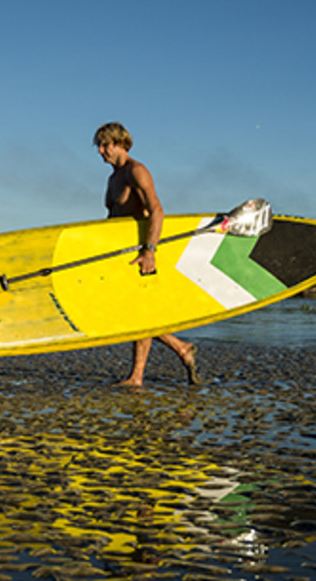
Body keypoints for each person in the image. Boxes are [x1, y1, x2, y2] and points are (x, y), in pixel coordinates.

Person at [94, 121, 201, 387]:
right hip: (123, 252)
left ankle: (148, 369)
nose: (100, 151)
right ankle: (171, 354)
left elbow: (157, 211)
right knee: (136, 312)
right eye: (99, 145)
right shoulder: (112, 179)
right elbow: (112, 218)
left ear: (120, 144)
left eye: (105, 145)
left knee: (136, 312)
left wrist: (150, 251)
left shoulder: (137, 171)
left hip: (143, 250)